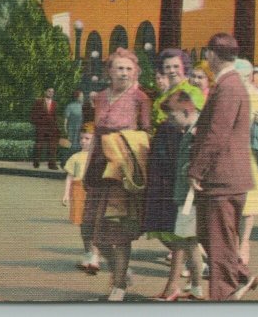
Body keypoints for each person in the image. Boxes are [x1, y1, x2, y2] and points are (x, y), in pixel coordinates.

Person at [188, 33, 258, 301]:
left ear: (212, 56)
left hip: (221, 177)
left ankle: (224, 297)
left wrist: (197, 169)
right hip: (227, 176)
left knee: (216, 241)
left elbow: (217, 134)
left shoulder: (228, 87)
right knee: (212, 236)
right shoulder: (230, 84)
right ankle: (240, 276)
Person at [82, 47, 152, 301]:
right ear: (109, 71)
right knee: (91, 230)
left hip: (122, 173)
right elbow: (95, 134)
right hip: (98, 168)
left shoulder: (140, 99)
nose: (123, 73)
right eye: (119, 68)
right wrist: (86, 170)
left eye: (128, 69)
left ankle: (119, 285)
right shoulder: (99, 97)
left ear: (136, 72)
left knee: (119, 231)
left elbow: (146, 136)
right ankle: (122, 272)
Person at [144, 91, 205, 301]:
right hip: (187, 197)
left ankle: (174, 289)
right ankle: (196, 288)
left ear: (186, 111)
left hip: (189, 198)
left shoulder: (197, 131)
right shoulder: (191, 128)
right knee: (190, 244)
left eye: (172, 116)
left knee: (182, 241)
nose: (170, 122)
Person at [234, 58, 258, 265]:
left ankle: (244, 243)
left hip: (251, 154)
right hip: (230, 154)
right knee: (231, 202)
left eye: (242, 76)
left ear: (250, 76)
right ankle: (233, 245)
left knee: (249, 202)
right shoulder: (226, 96)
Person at [62, 122, 100, 274]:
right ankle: (88, 253)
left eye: (87, 138)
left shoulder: (99, 157)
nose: (83, 141)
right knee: (83, 225)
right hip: (78, 192)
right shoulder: (75, 157)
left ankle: (95, 256)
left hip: (93, 192)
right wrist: (66, 194)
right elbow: (69, 177)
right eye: (82, 138)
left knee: (94, 224)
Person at [152, 48, 205, 127]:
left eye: (176, 66)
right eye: (167, 67)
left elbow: (194, 123)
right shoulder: (161, 97)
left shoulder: (193, 92)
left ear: (184, 67)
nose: (172, 70)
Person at [30, 86, 60, 169]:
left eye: (52, 92)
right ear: (45, 92)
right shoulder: (39, 101)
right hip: (41, 127)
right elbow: (33, 114)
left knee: (52, 146)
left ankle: (52, 164)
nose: (51, 93)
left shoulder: (54, 103)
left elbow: (55, 116)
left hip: (51, 128)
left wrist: (56, 127)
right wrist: (37, 123)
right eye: (49, 91)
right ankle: (36, 162)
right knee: (39, 145)